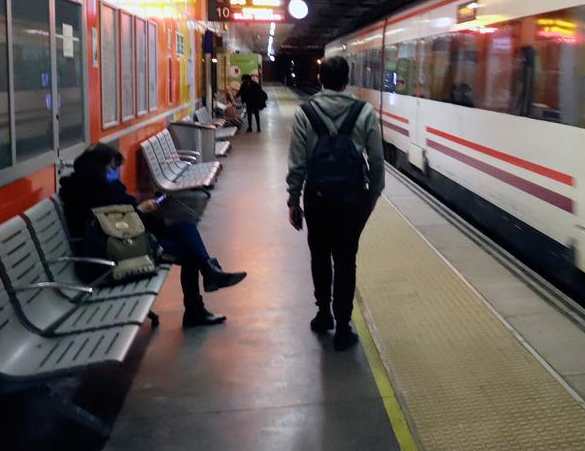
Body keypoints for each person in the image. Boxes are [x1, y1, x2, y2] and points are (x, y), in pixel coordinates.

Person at [59, 144, 247, 327]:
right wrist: (139, 210)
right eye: (111, 167)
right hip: (115, 251)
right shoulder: (84, 194)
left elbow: (119, 215)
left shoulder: (99, 187)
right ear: (97, 166)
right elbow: (108, 227)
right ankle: (198, 303)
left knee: (186, 227)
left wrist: (140, 210)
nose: (114, 172)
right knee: (189, 255)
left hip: (130, 238)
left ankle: (208, 271)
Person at [286, 56, 384, 351]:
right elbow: (377, 159)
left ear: (320, 79)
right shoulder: (364, 111)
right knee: (345, 260)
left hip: (316, 198)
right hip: (352, 199)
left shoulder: (305, 113)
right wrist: (373, 195)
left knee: (319, 255)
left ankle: (323, 313)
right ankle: (343, 326)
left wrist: (293, 199)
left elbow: (298, 162)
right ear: (347, 80)